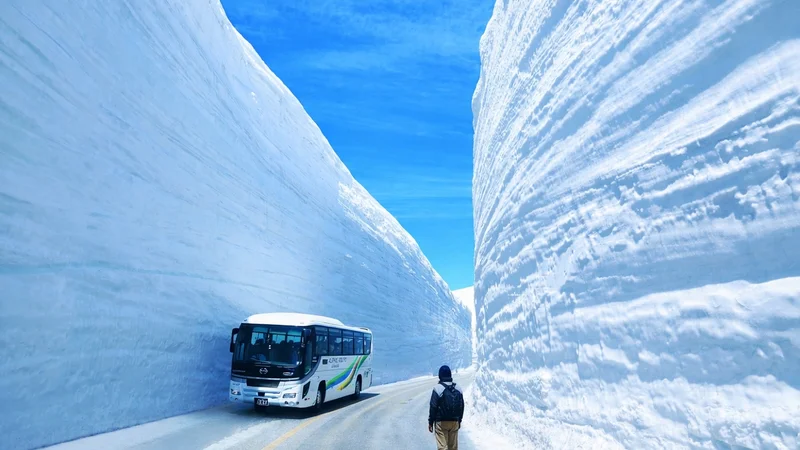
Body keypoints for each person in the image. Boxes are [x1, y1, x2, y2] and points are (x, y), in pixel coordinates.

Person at [428, 365, 464, 450]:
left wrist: (430, 422)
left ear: (440, 376)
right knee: (453, 448)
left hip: (441, 422)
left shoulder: (437, 388)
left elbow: (433, 406)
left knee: (442, 447)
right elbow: (462, 406)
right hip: (454, 421)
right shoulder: (458, 388)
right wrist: (459, 420)